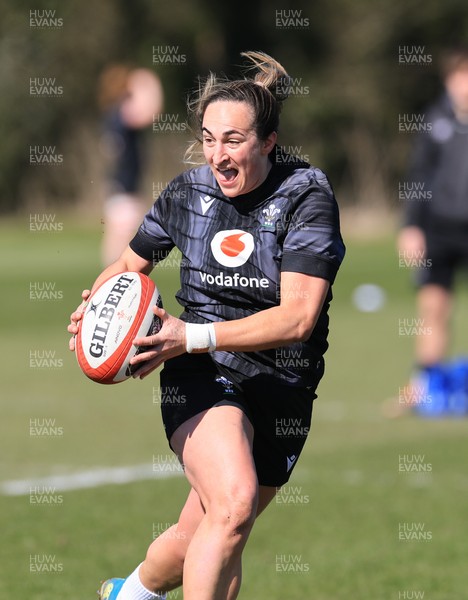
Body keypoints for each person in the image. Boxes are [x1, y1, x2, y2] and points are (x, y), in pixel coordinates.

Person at [68, 51, 345, 600]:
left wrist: (185, 334)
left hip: (283, 385)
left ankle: (133, 594)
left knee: (197, 538)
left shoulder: (305, 196)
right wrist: (97, 303)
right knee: (235, 503)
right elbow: (128, 265)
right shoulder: (187, 193)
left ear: (267, 142)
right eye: (209, 138)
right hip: (201, 369)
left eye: (234, 140)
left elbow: (297, 317)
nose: (218, 155)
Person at [397, 45, 468, 412]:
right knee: (433, 309)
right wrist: (411, 227)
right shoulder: (435, 119)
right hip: (439, 229)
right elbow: (418, 177)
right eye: (459, 77)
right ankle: (423, 389)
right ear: (449, 80)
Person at [98, 64, 164, 266]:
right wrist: (151, 83)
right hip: (125, 190)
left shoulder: (114, 114)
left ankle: (106, 288)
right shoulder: (124, 114)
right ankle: (111, 288)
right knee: (127, 250)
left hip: (119, 187)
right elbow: (152, 113)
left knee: (117, 247)